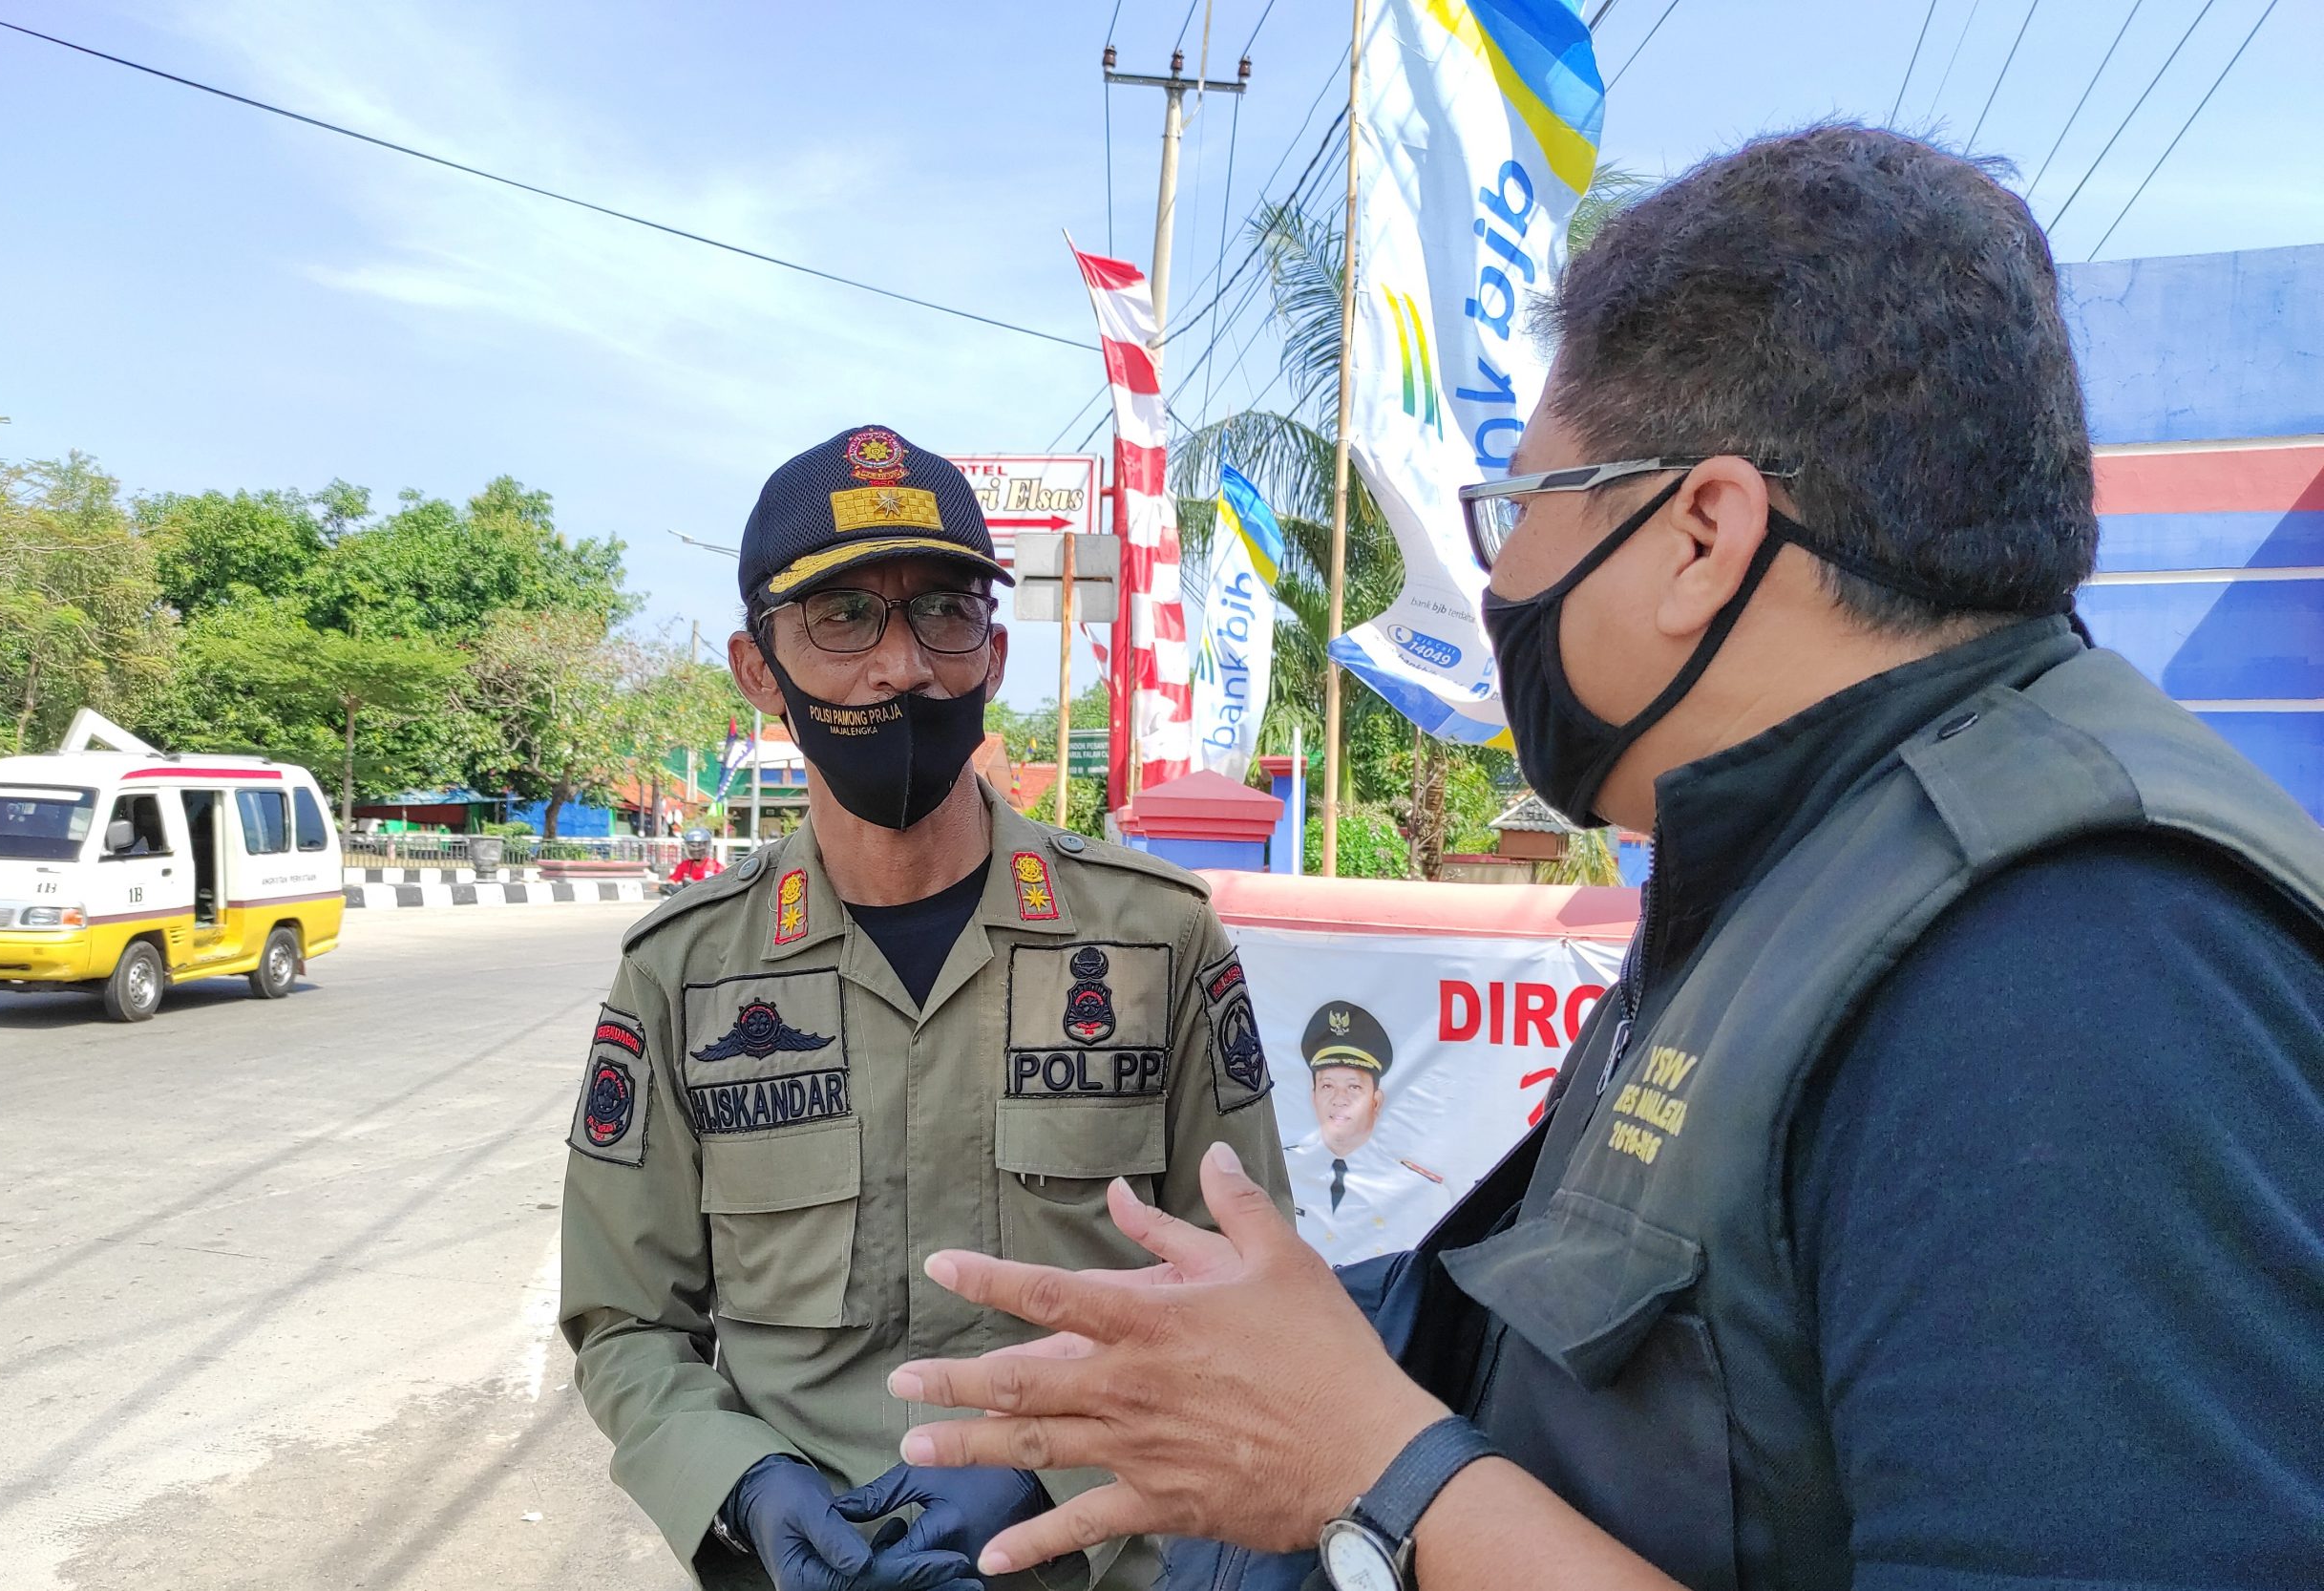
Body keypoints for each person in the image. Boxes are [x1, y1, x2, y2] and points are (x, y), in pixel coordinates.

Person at [869, 127, 2324, 1591]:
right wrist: (1203, 1380)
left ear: (1703, 534)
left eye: (1521, 511)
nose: (1501, 584)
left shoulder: (2071, 965)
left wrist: (1373, 1469)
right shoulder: (1804, 872)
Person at [558, 424, 1292, 1591]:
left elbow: (1247, 1295)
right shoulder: (682, 973)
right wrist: (745, 1484)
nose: (900, 665)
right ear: (760, 669)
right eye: (844, 617)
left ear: (993, 653)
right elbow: (625, 1321)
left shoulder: (1153, 939)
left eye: (941, 612)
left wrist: (1045, 1466)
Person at [1285, 1000, 1450, 1264]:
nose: (1339, 1099)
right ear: (1313, 1095)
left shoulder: (1420, 1190)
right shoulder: (1276, 1170)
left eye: (1353, 1088)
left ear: (1376, 1101)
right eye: (1327, 1086)